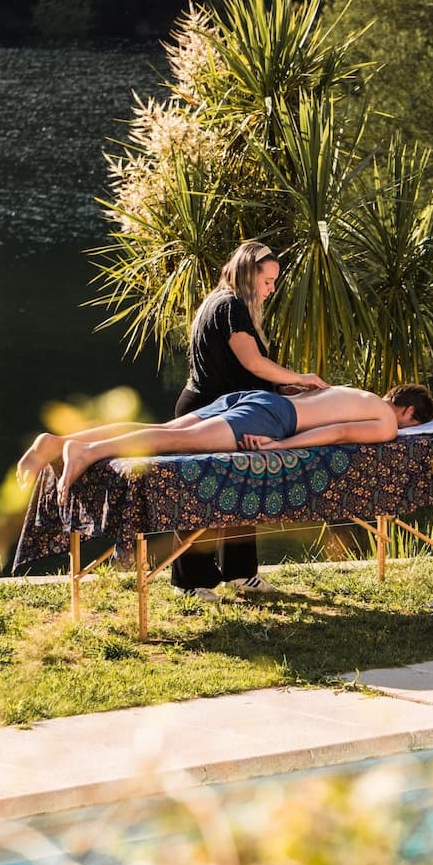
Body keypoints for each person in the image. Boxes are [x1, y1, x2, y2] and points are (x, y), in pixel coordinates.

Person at [171, 240, 328, 600]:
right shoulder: (230, 306)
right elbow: (252, 362)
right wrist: (300, 378)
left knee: (241, 489)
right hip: (208, 410)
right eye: (267, 281)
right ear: (247, 274)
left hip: (231, 411)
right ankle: (192, 581)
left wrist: (281, 388)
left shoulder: (223, 303)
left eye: (274, 282)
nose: (271, 290)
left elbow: (245, 372)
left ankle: (241, 574)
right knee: (200, 495)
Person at [16, 382, 433, 509]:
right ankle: (87, 452)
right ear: (408, 412)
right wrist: (278, 446)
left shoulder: (359, 393)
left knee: (163, 426)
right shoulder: (387, 421)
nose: (407, 432)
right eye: (413, 426)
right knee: (178, 442)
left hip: (256, 399)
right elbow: (340, 434)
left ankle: (59, 442)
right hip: (273, 418)